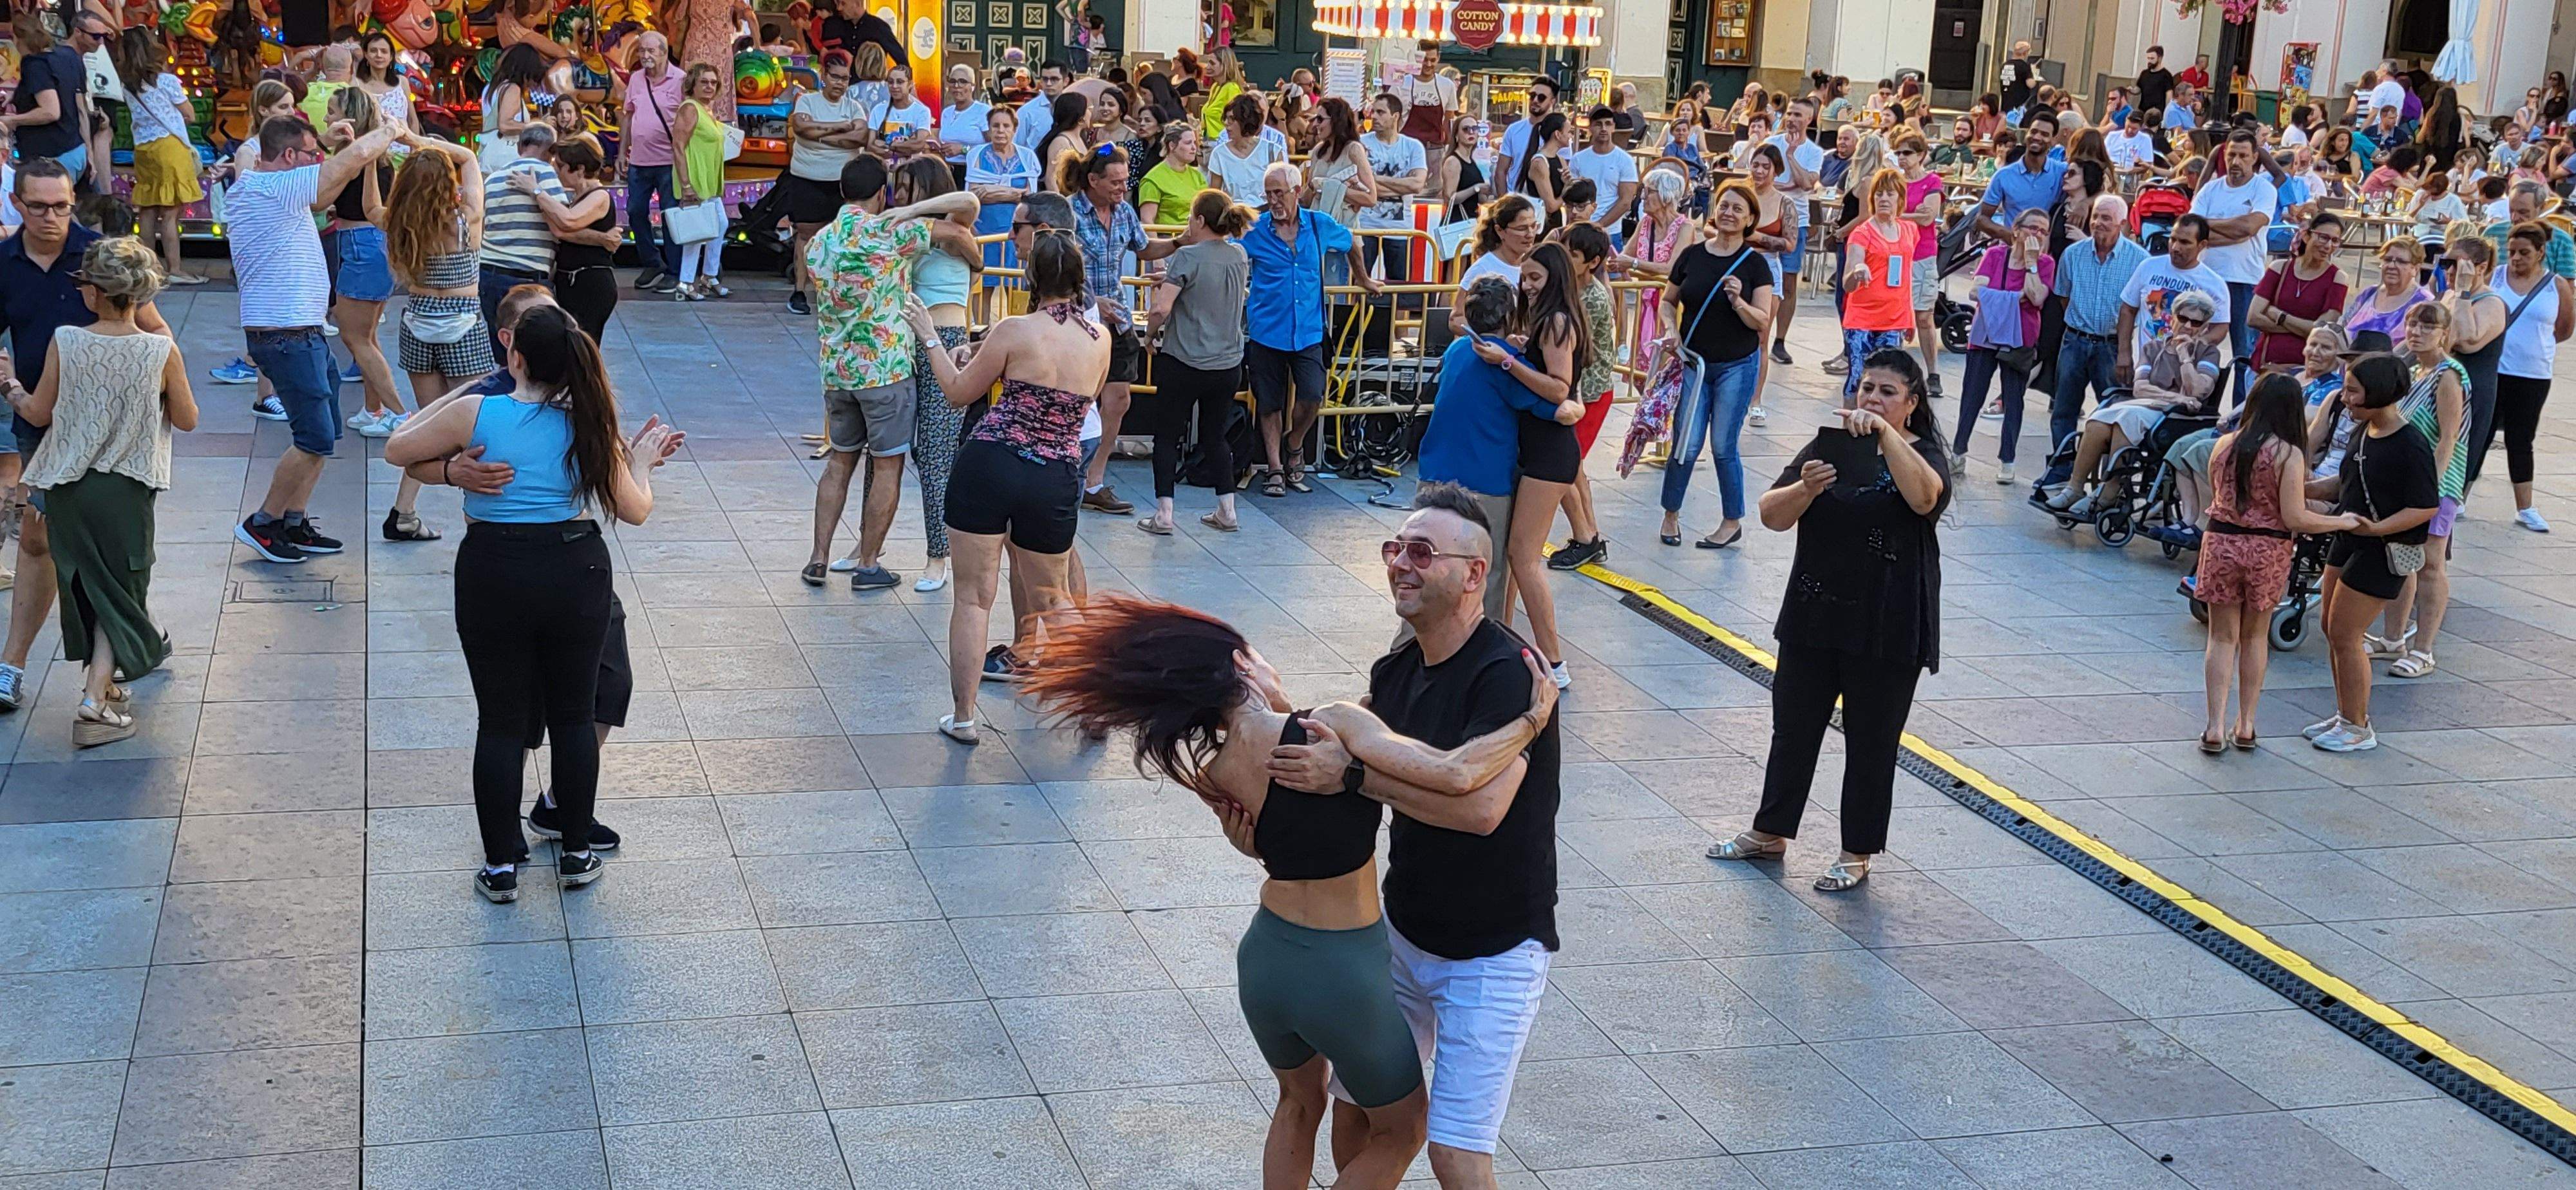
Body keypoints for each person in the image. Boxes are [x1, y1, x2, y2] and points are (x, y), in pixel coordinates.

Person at [1027, 592, 1562, 1188]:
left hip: (1267, 960)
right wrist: (1531, 721)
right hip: (1342, 967)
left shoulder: (1216, 771)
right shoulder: (1337, 723)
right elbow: (1453, 773)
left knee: (1299, 1104)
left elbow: (1275, 842)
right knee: (1404, 1131)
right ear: (1243, 665)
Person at [1254, 483, 1560, 1190]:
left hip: (1493, 951)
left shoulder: (1507, 676)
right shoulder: (1395, 668)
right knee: (1358, 1114)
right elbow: (1335, 743)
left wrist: (1354, 780)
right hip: (1403, 933)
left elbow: (1479, 809)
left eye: (1422, 552)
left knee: (1454, 1156)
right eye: (1395, 548)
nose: (1400, 563)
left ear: (1474, 573)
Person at [385, 304, 677, 901]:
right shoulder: (590, 421)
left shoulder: (479, 412)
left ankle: (499, 867)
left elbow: (397, 447)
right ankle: (574, 853)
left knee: (499, 721)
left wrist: (448, 467)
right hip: (575, 566)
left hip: (493, 567)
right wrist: (641, 464)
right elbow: (635, 510)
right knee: (574, 716)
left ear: (513, 355)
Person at [1707, 348, 1949, 891]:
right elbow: (1770, 514)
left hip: (1888, 622)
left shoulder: (1922, 451)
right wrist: (1807, 487)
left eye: (1887, 393)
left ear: (1910, 404)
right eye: (1867, 388)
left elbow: (1925, 498)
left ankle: (1857, 850)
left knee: (1871, 740)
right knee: (1792, 729)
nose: (1872, 399)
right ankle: (1770, 832)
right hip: (1816, 613)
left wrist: (1886, 437)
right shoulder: (1828, 445)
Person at [902, 227, 1107, 743]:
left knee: (974, 597)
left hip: (991, 464)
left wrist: (931, 337)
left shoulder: (1016, 329)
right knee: (1054, 597)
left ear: (1031, 277)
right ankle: (1092, 707)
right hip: (1055, 474)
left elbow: (955, 392)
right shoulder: (1100, 339)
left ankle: (965, 717)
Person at [0, 234, 191, 744]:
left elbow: (38, 413)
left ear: (92, 292)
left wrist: (9, 385)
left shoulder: (67, 339)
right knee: (123, 588)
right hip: (128, 487)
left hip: (65, 484)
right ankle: (92, 700)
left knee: (85, 584)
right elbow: (189, 418)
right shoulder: (160, 350)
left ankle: (102, 688)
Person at [230, 114, 401, 565]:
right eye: (310, 155)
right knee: (314, 436)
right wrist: (389, 131)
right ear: (289, 157)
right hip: (287, 335)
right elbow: (346, 167)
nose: (317, 161)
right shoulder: (273, 189)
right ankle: (264, 522)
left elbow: (325, 188)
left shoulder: (261, 189)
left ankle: (294, 520)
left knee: (325, 432)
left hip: (301, 332)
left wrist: (323, 142)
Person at [800, 157, 977, 590]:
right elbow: (958, 231)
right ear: (882, 194)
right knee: (888, 466)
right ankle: (867, 566)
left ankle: (818, 559)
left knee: (840, 463)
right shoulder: (888, 231)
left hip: (837, 371)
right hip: (885, 370)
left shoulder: (818, 243)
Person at [2194, 372, 2361, 752]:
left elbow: (2219, 498)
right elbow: (2296, 517)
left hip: (2220, 542)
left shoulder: (2223, 444)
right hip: (2267, 550)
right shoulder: (2288, 453)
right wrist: (2340, 521)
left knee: (2221, 638)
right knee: (2254, 637)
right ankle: (2247, 724)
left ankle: (2214, 726)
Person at [2312, 354, 2438, 753]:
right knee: (2331, 630)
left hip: (2381, 549)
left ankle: (2358, 725)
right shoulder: (2363, 431)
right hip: (2349, 539)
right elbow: (2348, 481)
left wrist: (2377, 528)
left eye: (2353, 391)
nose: (2345, 398)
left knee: (2348, 635)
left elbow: (2425, 507)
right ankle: (2345, 712)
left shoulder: (2411, 443)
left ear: (2380, 393)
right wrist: (2304, 488)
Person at [376, 132, 493, 541]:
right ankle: (480, 513)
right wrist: (419, 141)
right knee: (476, 424)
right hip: (463, 323)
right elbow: (470, 160)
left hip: (418, 323)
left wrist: (390, 150)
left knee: (430, 424)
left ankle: (404, 513)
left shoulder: (397, 224)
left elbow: (373, 206)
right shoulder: (466, 220)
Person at [1481, 243, 1587, 688]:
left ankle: (1555, 661)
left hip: (1549, 453)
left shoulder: (1558, 322)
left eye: (1535, 279)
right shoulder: (1548, 321)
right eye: (1524, 278)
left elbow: (1560, 388)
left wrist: (1509, 362)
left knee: (1524, 559)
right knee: (1513, 555)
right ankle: (1503, 643)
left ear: (1555, 278)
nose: (1527, 287)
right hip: (1539, 448)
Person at [1656, 180, 1777, 551]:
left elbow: (1762, 322)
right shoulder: (1692, 256)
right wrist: (1671, 329)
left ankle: (1731, 521)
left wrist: (1739, 301)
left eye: (1738, 209)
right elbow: (1667, 300)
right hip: (1695, 363)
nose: (1728, 213)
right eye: (1724, 206)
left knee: (1724, 445)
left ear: (1750, 219)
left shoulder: (1756, 266)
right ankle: (1671, 514)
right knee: (1686, 443)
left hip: (1737, 367)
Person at [1245, 161, 1377, 498]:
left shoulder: (1319, 225)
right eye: (1269, 194)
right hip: (1267, 331)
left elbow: (1352, 244)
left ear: (1297, 191)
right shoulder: (1255, 230)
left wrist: (1363, 279)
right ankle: (1275, 467)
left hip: (1308, 331)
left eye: (1280, 193)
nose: (1274, 201)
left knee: (1312, 395)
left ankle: (1294, 443)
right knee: (1269, 402)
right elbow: (1230, 257)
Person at [1063, 146, 1177, 515]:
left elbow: (1143, 249)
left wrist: (1179, 242)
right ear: (1092, 181)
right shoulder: (1070, 212)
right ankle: (1068, 473)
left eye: (1125, 181)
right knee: (1077, 399)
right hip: (1077, 320)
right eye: (1115, 182)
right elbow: (1057, 266)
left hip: (1117, 322)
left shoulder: (1125, 212)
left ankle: (1094, 480)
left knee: (1119, 400)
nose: (1122, 188)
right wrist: (1092, 301)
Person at [2049, 287, 2224, 516]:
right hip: (2152, 406)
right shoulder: (2153, 348)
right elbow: (2140, 387)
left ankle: (2110, 491)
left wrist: (2184, 356)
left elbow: (2199, 390)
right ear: (2172, 317)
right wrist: (2177, 396)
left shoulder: (2208, 353)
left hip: (2177, 418)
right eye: (2183, 319)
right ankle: (2075, 487)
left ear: (2204, 327)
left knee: (2126, 419)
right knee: (2098, 420)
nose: (2189, 327)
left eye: (2197, 323)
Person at [1137, 189, 1251, 536]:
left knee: (1168, 436)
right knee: (1215, 436)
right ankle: (1227, 509)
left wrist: (1149, 337)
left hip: (1184, 360)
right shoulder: (1239, 254)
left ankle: (1164, 514)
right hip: (1227, 363)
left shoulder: (1187, 257)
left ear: (1199, 220)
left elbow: (1161, 308)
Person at [2371, 298, 2471, 679]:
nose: (2417, 332)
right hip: (2406, 479)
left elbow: (2449, 439)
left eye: (2428, 327)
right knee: (2403, 560)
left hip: (2437, 484)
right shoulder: (2413, 369)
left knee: (2430, 564)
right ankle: (2393, 638)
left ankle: (2424, 649)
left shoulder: (2449, 375)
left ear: (2444, 334)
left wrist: (2431, 487)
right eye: (2413, 324)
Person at [314, 87, 402, 438]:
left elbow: (318, 200)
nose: (327, 118)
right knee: (368, 336)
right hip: (376, 245)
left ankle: (398, 413)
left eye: (332, 111)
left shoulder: (354, 157)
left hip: (360, 247)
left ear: (350, 117)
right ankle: (374, 409)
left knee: (354, 337)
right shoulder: (379, 158)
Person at [2042, 194, 2146, 489]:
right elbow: (2064, 296)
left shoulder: (2139, 260)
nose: (2099, 223)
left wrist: (2126, 349)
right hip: (2075, 340)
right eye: (2096, 216)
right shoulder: (2073, 254)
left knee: (2115, 412)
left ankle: (2109, 478)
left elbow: (2140, 307)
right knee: (2064, 410)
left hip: (2113, 346)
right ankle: (2061, 470)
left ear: (2123, 224)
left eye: (2107, 219)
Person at [1952, 207, 2051, 484]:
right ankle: (1958, 450)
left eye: (2043, 231)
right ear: (2016, 230)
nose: (2038, 235)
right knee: (1972, 394)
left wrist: (2031, 264)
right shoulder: (1995, 255)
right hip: (1986, 336)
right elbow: (1975, 290)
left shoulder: (2045, 264)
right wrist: (2014, 298)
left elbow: (2037, 297)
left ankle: (2008, 460)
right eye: (2033, 228)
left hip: (2020, 338)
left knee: (2013, 399)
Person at [1547, 224, 1618, 573]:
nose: (1564, 257)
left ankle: (1586, 537)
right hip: (1580, 391)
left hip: (1588, 393)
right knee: (1572, 469)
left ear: (1592, 262)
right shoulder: (1573, 287)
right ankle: (1589, 536)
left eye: (1571, 254)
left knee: (1564, 467)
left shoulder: (1589, 297)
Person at [111, 30, 205, 285]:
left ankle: (149, 267)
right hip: (170, 146)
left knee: (148, 210)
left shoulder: (127, 86)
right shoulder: (166, 81)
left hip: (143, 149)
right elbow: (190, 114)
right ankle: (175, 268)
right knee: (171, 213)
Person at [780, 52, 870, 316]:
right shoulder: (807, 101)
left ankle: (838, 294)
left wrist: (820, 137)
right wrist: (840, 128)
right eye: (835, 77)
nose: (840, 84)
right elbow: (801, 129)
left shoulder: (854, 107)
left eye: (845, 79)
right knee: (806, 236)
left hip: (843, 184)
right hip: (807, 179)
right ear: (823, 75)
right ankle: (799, 292)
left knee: (844, 238)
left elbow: (860, 137)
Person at [2494, 223, 2570, 532]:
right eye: (2511, 252)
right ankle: (2459, 498)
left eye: (2524, 253)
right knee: (2478, 434)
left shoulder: (2557, 284)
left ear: (2540, 253)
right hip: (2494, 369)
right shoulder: (2496, 276)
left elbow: (2564, 328)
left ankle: (2525, 506)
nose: (2516, 259)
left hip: (2533, 373)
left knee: (2521, 439)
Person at [1839, 165, 1920, 408]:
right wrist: (1857, 271)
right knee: (1859, 378)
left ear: (1901, 199)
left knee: (1888, 381)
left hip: (1894, 318)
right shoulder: (1862, 233)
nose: (1884, 199)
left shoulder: (1909, 230)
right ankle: (1850, 434)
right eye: (1879, 194)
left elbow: (1906, 276)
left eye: (1890, 194)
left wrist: (1910, 316)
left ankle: (1880, 432)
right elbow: (1847, 283)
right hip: (1863, 318)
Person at [618, 33, 688, 293]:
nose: (645, 56)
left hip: (669, 162)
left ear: (664, 52)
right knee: (635, 211)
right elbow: (628, 116)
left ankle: (674, 270)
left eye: (650, 51)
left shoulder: (681, 80)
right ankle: (652, 262)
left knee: (671, 216)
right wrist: (621, 152)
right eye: (641, 51)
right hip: (639, 161)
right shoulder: (636, 79)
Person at [1763, 98, 1826, 367]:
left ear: (1809, 120)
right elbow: (1759, 175)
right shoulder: (1770, 144)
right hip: (1766, 216)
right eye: (1789, 113)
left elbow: (1806, 184)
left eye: (1798, 115)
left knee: (1789, 283)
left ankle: (1780, 340)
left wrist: (1790, 156)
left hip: (1796, 221)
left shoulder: (1813, 152)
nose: (1791, 119)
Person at [542, 137, 623, 343]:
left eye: (560, 166)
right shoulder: (575, 198)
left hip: (590, 284)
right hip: (571, 282)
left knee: (584, 349)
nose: (556, 171)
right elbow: (558, 229)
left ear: (578, 170)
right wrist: (602, 238)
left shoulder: (599, 196)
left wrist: (537, 192)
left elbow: (567, 224)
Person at [665, 62, 731, 300]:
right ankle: (685, 282)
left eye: (714, 82)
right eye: (704, 82)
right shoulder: (690, 108)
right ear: (693, 84)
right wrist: (686, 184)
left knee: (719, 225)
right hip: (694, 179)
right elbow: (678, 146)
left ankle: (708, 276)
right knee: (697, 231)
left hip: (708, 180)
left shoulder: (707, 110)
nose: (709, 87)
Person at [964, 106, 1042, 276]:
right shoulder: (976, 155)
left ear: (1014, 130)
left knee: (1016, 284)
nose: (1000, 131)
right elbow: (973, 194)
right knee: (984, 281)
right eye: (995, 126)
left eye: (1006, 126)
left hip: (1017, 232)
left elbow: (1029, 197)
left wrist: (988, 190)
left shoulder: (1028, 157)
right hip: (983, 228)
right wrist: (1013, 194)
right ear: (989, 129)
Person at [1973, 109, 2066, 241]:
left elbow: (2101, 181)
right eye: (2034, 132)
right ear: (2027, 134)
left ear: (2053, 140)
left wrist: (2084, 203)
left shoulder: (2062, 171)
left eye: (2045, 134)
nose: (2037, 137)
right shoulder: (2003, 175)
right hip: (2011, 252)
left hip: (2046, 254)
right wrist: (2009, 235)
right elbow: (1982, 219)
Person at [2344, 236, 2433, 353]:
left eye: (2401, 262)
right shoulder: (2368, 294)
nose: (2392, 266)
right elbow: (2343, 330)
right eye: (2388, 260)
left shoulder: (2424, 303)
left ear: (2415, 269)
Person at [1567, 106, 1638, 235]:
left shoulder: (1625, 160)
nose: (1604, 129)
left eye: (1608, 124)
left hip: (1610, 231)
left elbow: (1626, 202)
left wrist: (1598, 225)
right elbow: (1571, 198)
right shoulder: (1578, 159)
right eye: (1598, 124)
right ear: (1590, 128)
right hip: (1579, 229)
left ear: (1613, 127)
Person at [1207, 93, 1283, 207]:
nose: (1227, 124)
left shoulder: (1272, 151)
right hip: (1234, 215)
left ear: (1246, 121)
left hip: (1265, 213)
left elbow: (1281, 191)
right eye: (1226, 119)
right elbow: (1215, 196)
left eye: (1232, 119)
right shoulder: (1219, 154)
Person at [1494, 74, 1562, 202]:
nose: (1535, 100)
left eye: (1541, 98)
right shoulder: (1514, 130)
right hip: (1515, 199)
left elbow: (1563, 173)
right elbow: (1501, 171)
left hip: (1545, 203)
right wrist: (1504, 202)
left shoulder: (1558, 133)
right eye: (1532, 96)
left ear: (1552, 101)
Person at [1137, 124, 1206, 225]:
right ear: (1172, 145)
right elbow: (1147, 221)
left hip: (1197, 235)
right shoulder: (1153, 180)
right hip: (1168, 237)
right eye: (1188, 143)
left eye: (1195, 143)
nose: (1194, 148)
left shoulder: (1198, 176)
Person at [1399, 41, 1457, 144]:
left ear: (1438, 58)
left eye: (1433, 60)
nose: (1429, 64)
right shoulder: (1402, 84)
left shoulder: (1447, 85)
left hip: (1435, 149)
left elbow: (1449, 121)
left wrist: (1449, 147)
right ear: (1417, 58)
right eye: (1425, 60)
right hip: (1406, 147)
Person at [938, 63, 991, 162]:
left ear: (973, 86)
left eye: (963, 82)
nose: (957, 86)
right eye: (953, 81)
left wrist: (964, 149)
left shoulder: (984, 111)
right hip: (948, 169)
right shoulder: (947, 112)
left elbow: (994, 149)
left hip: (972, 170)